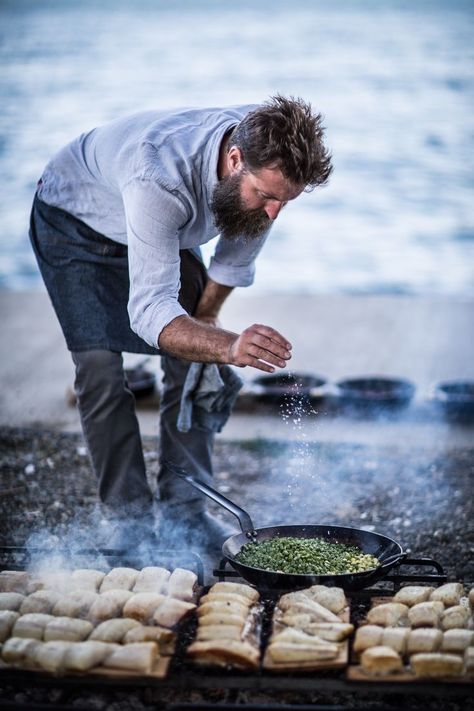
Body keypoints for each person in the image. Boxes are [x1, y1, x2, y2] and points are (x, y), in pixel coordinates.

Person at [29, 95, 332, 554]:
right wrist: (229, 345)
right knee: (99, 372)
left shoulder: (263, 151)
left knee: (195, 358)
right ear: (234, 161)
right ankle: (128, 520)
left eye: (284, 201)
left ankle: (184, 511)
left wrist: (207, 321)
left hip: (152, 222)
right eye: (267, 197)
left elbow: (232, 260)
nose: (273, 212)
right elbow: (151, 313)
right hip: (75, 219)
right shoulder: (159, 178)